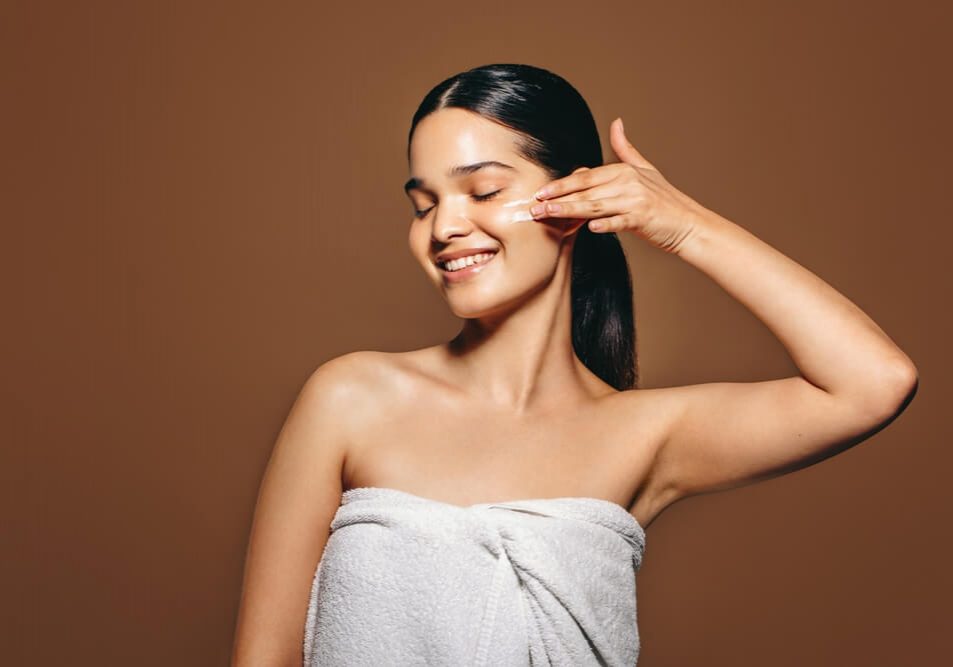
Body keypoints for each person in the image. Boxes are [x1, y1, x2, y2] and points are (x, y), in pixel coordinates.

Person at [231, 63, 918, 666]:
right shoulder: (350, 397)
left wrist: (681, 225)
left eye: (483, 190)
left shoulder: (645, 434)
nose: (443, 227)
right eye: (423, 203)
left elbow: (873, 382)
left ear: (572, 196)